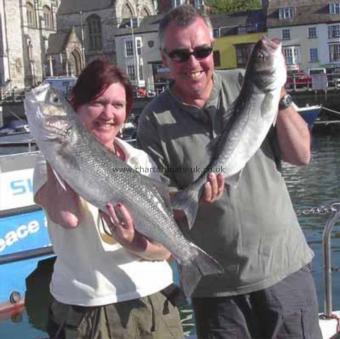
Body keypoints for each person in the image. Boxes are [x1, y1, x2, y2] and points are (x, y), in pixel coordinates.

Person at [137, 5, 323, 339]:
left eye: (202, 51)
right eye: (180, 55)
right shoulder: (152, 120)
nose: (193, 63)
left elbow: (301, 155)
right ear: (164, 59)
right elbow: (161, 201)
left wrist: (277, 96)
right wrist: (191, 201)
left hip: (283, 272)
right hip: (216, 290)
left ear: (213, 50)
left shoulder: (245, 84)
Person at [33, 58, 184, 338]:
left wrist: (131, 241)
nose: (108, 114)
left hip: (151, 305)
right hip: (85, 312)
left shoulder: (138, 159)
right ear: (75, 105)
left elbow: (164, 250)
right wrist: (53, 147)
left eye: (118, 105)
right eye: (98, 102)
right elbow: (68, 217)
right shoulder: (49, 162)